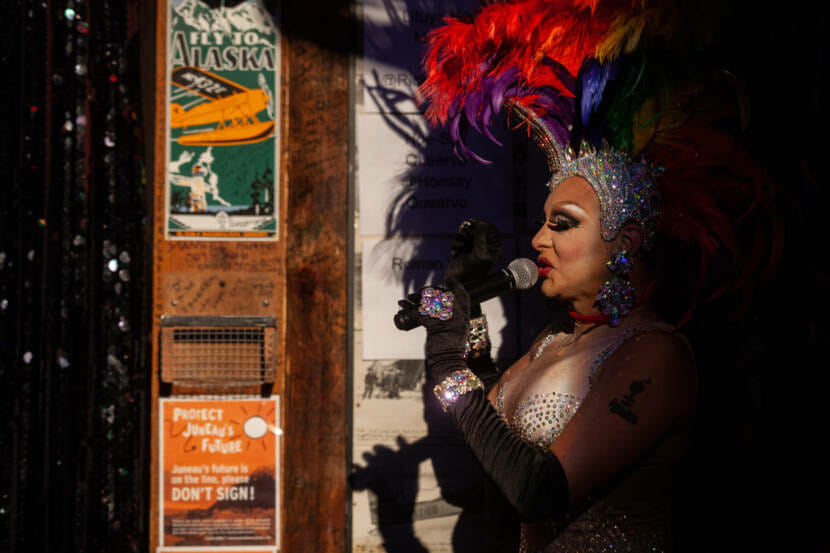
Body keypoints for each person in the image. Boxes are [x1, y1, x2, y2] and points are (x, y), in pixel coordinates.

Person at [397, 1, 781, 551]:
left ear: (625, 242)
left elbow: (537, 489)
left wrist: (444, 362)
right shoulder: (559, 338)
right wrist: (469, 318)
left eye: (562, 224)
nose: (537, 240)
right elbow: (490, 422)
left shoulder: (656, 354)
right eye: (542, 222)